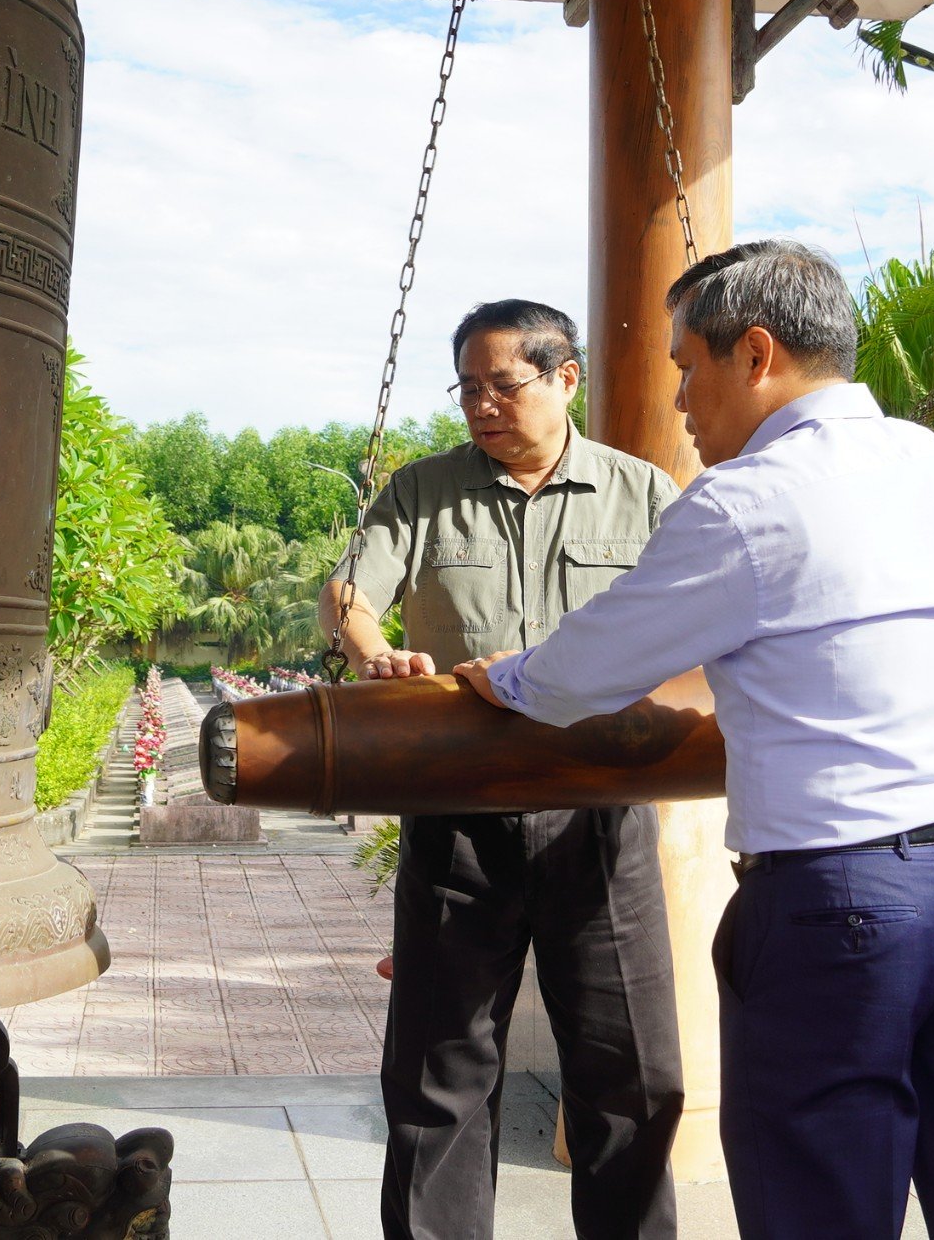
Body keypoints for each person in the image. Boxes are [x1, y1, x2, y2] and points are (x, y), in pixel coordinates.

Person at [453, 240, 934, 1240]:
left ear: (757, 354)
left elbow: (579, 675)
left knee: (818, 1208)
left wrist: (499, 674)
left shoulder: (747, 500)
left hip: (840, 907)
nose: (682, 397)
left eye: (687, 364)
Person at [321, 298, 684, 1240]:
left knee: (628, 1078)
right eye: (469, 389)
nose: (483, 405)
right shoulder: (421, 491)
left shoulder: (645, 493)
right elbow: (351, 596)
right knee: (438, 1076)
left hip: (600, 817)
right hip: (457, 816)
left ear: (567, 378)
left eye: (504, 384)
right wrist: (372, 651)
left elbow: (704, 627)